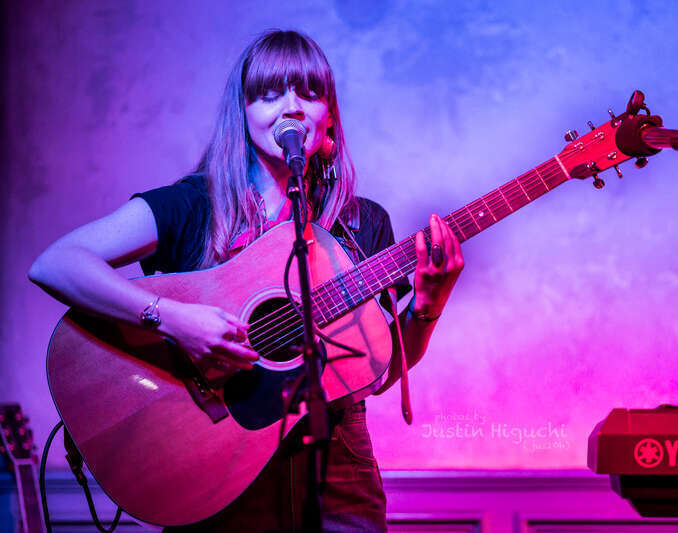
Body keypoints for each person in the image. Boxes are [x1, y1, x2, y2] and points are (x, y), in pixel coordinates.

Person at [29, 29, 463, 532]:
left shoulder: (361, 224)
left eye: (309, 92)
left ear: (330, 118)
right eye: (269, 93)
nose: (291, 107)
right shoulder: (193, 205)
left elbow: (378, 375)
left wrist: (429, 303)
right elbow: (57, 263)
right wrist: (172, 319)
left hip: (339, 467)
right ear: (243, 112)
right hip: (209, 462)